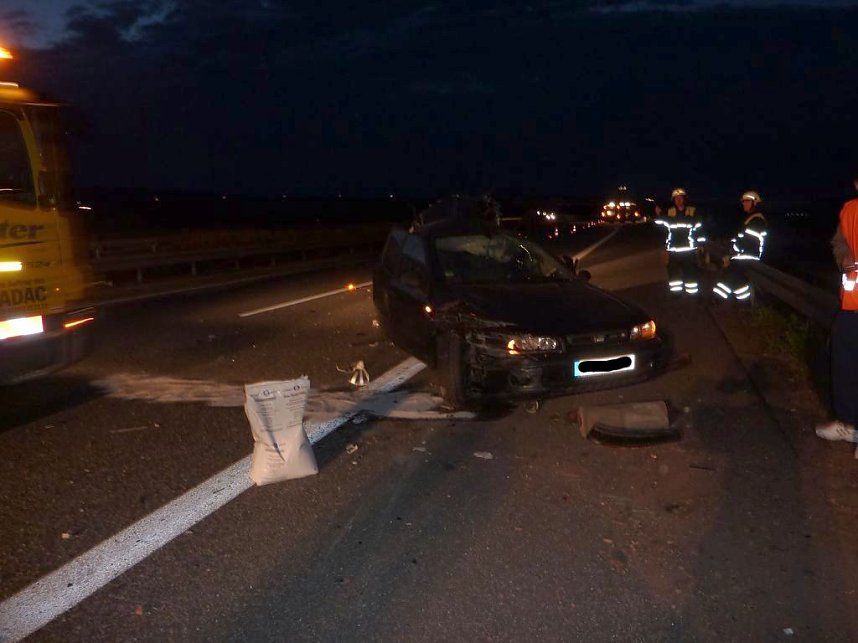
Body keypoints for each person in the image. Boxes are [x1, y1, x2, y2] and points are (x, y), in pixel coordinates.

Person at [816, 169, 858, 453]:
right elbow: (839, 243)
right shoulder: (850, 210)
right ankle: (851, 425)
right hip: (851, 304)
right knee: (843, 362)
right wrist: (847, 260)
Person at [712, 191, 768, 302]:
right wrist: (732, 245)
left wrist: (732, 251)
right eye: (743, 201)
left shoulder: (757, 221)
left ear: (755, 203)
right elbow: (741, 239)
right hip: (744, 255)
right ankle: (744, 303)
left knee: (729, 276)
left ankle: (715, 300)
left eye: (747, 201)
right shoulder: (750, 219)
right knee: (738, 281)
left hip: (749, 256)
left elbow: (748, 242)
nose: (744, 204)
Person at [654, 187, 706, 296]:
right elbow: (661, 226)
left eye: (680, 198)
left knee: (690, 272)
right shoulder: (669, 212)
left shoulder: (692, 211)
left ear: (684, 199)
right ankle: (676, 293)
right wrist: (659, 215)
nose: (678, 200)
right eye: (676, 198)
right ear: (673, 200)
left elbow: (700, 228)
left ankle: (692, 293)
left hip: (689, 249)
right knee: (673, 273)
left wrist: (701, 245)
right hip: (673, 249)